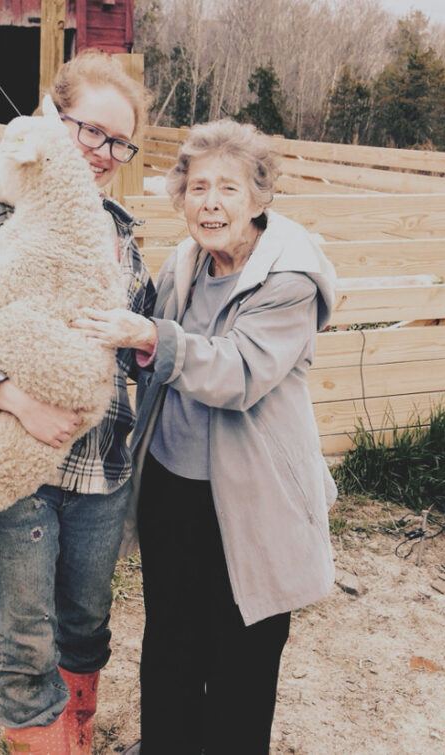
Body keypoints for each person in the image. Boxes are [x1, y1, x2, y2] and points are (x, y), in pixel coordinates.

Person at [0, 50, 155, 755]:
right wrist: (13, 398)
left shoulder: (122, 235)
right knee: (25, 642)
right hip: (11, 471)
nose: (102, 154)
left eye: (118, 141)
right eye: (89, 131)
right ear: (52, 116)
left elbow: (145, 340)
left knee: (85, 624)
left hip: (98, 472)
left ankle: (77, 731)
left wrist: (144, 340)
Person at [72, 119, 339, 754]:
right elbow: (148, 343)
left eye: (227, 188)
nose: (210, 203)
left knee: (244, 645)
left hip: (253, 496)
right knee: (170, 635)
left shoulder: (290, 280)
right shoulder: (184, 262)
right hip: (173, 482)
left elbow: (240, 371)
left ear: (259, 197)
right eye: (196, 188)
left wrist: (147, 337)